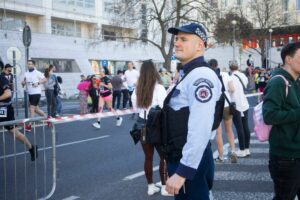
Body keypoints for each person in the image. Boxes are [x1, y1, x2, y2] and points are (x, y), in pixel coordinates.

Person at [164, 23, 222, 199]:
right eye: (176, 39)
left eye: (183, 39)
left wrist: (183, 171)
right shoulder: (190, 74)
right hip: (185, 156)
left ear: (200, 46)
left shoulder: (200, 76)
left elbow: (200, 128)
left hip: (190, 161)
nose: (177, 43)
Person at [263, 42, 300, 200]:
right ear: (288, 59)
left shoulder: (296, 81)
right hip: (286, 157)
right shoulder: (278, 82)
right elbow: (269, 115)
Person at [131, 60, 171, 196]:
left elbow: (135, 107)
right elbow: (164, 107)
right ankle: (165, 186)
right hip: (156, 126)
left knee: (148, 157)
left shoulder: (137, 88)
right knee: (163, 157)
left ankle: (150, 186)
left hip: (142, 125)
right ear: (154, 71)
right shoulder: (159, 88)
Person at [0, 70, 38, 161]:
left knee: (14, 133)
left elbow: (8, 93)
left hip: (4, 110)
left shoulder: (2, 78)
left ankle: (31, 148)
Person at [208, 59, 237, 164]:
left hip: (216, 107)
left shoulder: (209, 75)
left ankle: (220, 157)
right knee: (229, 130)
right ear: (217, 65)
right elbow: (232, 89)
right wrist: (226, 92)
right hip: (227, 105)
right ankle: (233, 152)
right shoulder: (225, 74)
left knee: (218, 133)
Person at [229, 60, 251, 158]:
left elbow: (230, 90)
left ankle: (241, 149)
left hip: (235, 104)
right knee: (245, 126)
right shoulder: (243, 76)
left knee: (239, 127)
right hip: (244, 103)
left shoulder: (231, 78)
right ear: (238, 67)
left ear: (230, 68)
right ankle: (247, 149)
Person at [21, 60, 47, 132]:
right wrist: (23, 83)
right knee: (36, 110)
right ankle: (47, 119)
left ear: (34, 65)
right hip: (30, 93)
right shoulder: (26, 74)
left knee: (31, 109)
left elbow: (45, 79)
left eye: (30, 64)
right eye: (28, 64)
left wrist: (38, 83)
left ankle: (29, 125)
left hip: (36, 93)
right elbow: (24, 84)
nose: (29, 65)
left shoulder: (37, 72)